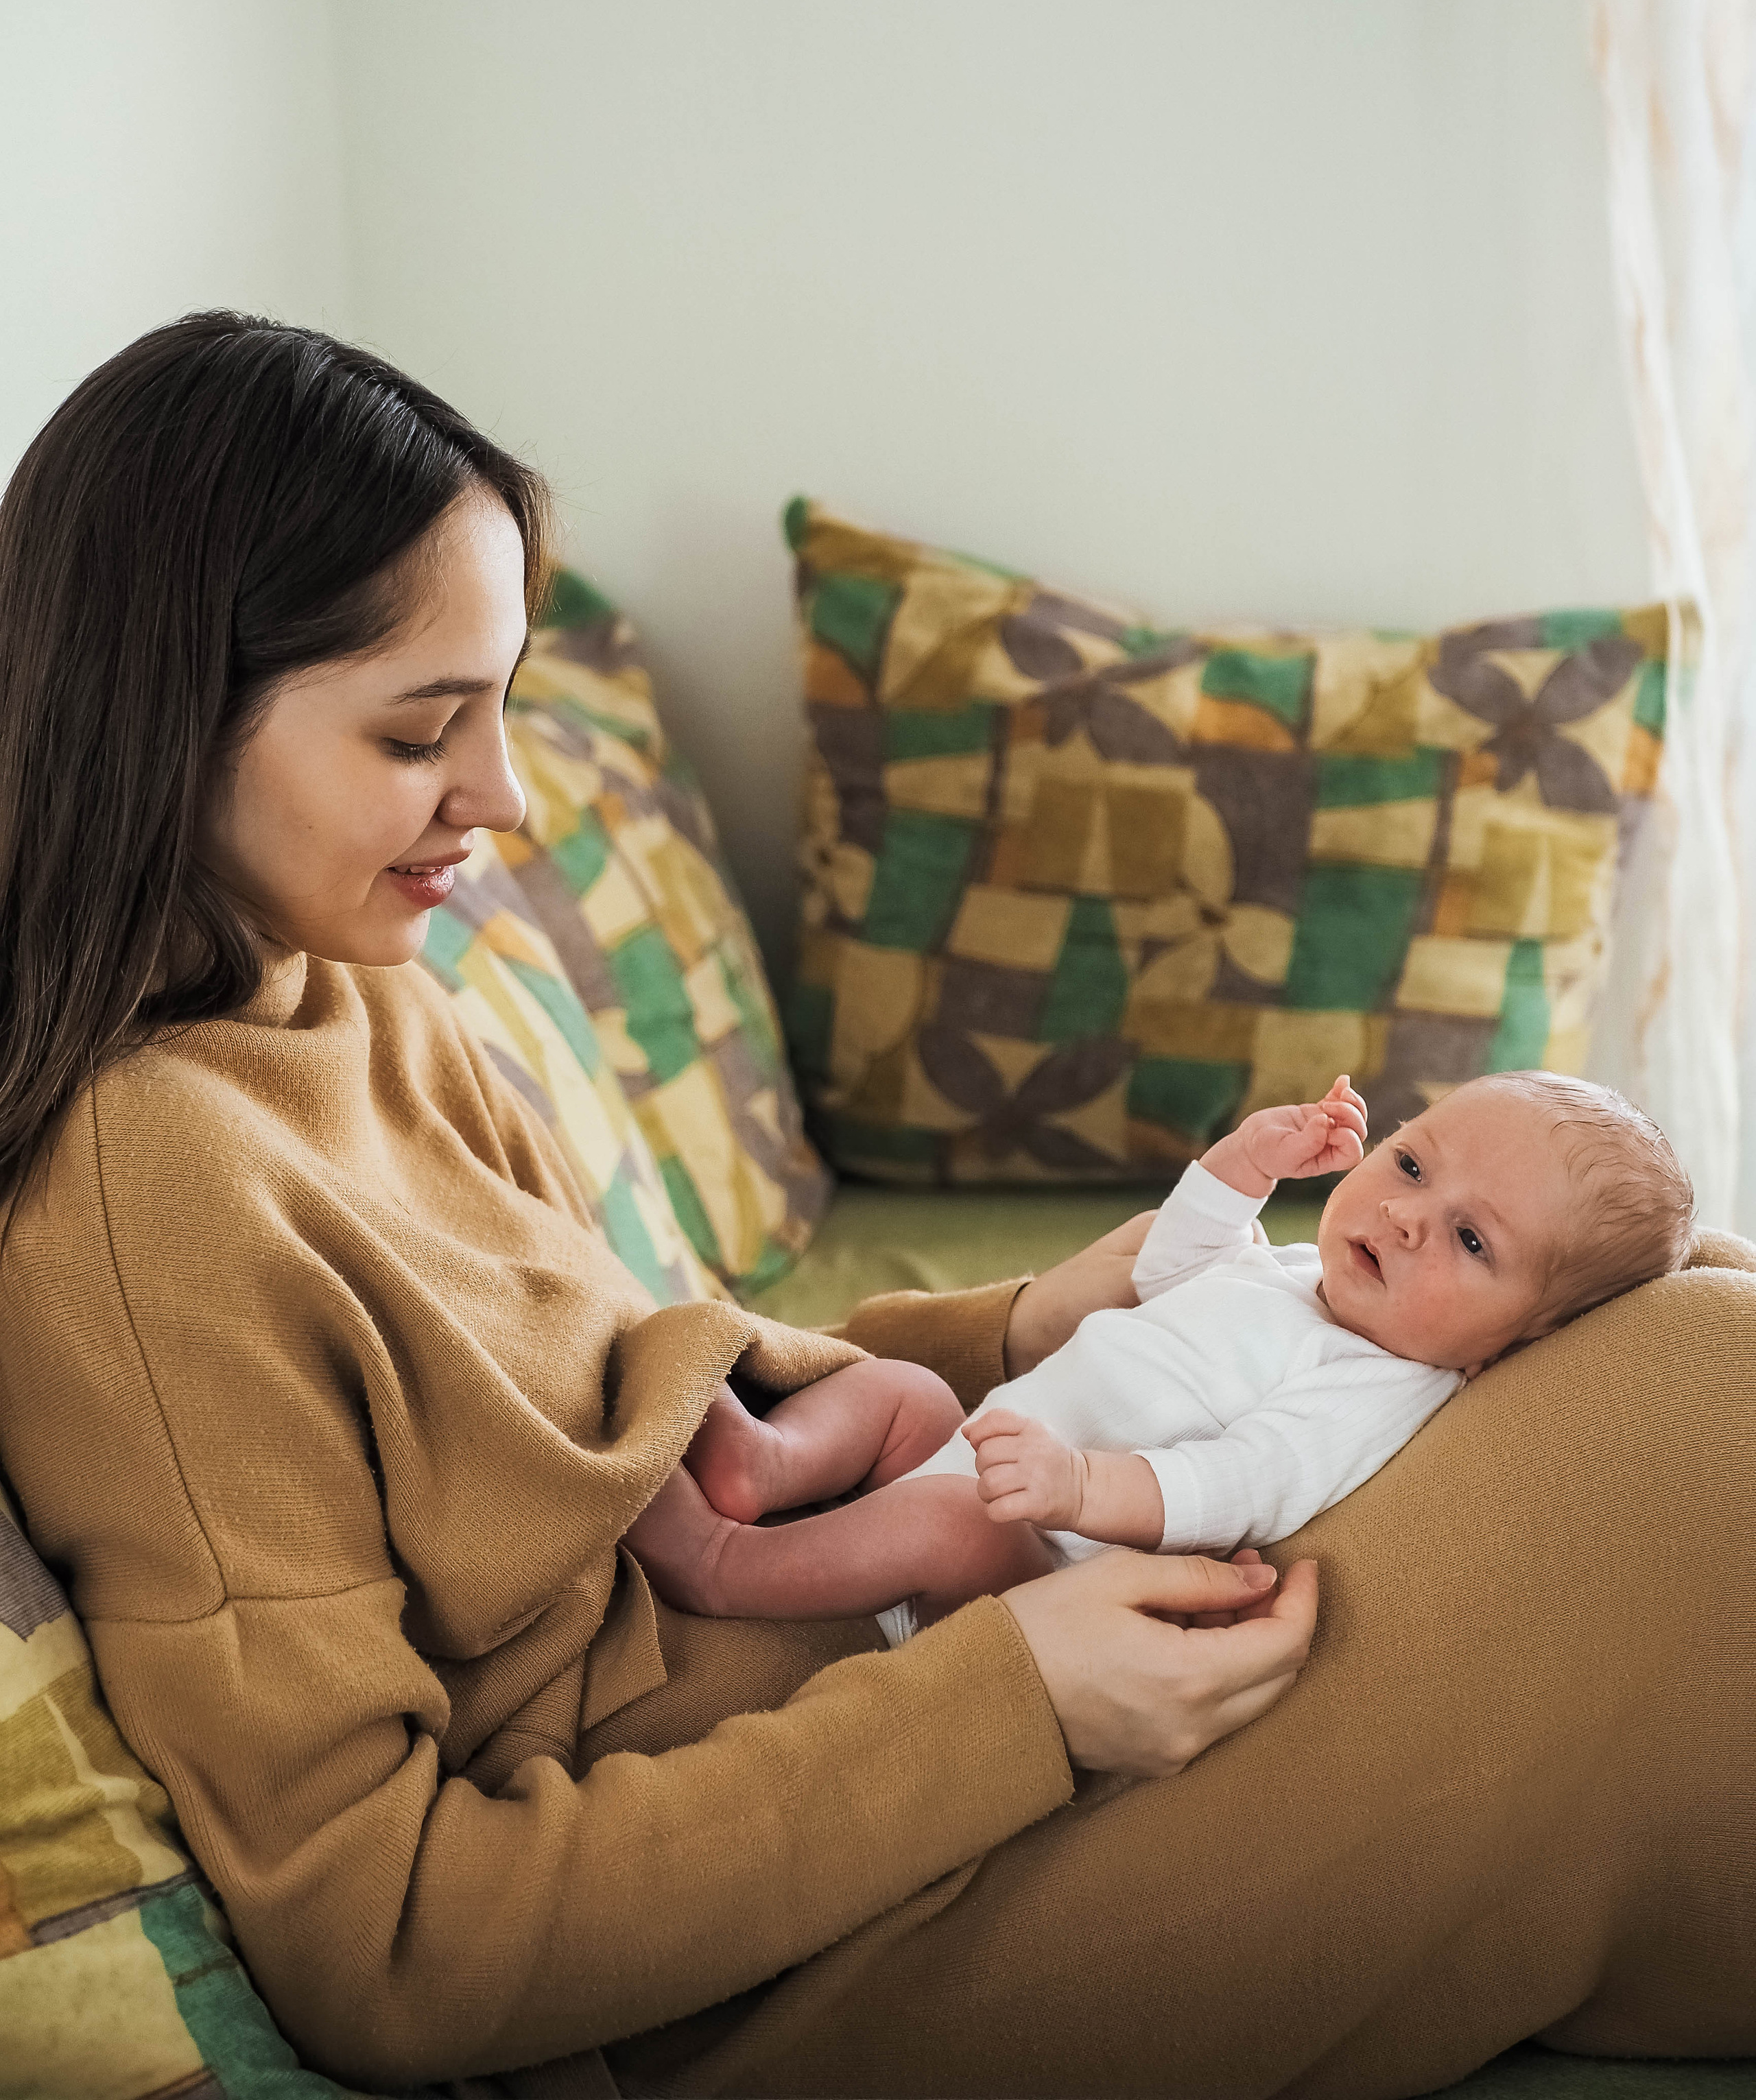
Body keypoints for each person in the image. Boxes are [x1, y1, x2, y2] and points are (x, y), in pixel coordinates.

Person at [0, 314, 1748, 2099]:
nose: (506, 796)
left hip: (925, 1605)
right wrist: (1019, 1703)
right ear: (164, 710)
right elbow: (396, 1948)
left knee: (1680, 1300)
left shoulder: (356, 987)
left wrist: (1015, 1329)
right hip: (785, 1913)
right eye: (418, 728)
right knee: (1697, 1433)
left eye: (506, 702)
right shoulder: (142, 1205)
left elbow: (637, 1382)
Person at [626, 1070, 1696, 1638]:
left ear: (1520, 1338)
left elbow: (1236, 1485)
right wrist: (1244, 1167)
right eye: (1412, 1162)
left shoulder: (1379, 1384)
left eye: (1472, 1239)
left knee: (943, 1515)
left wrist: (1078, 1484)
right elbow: (1175, 1266)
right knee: (903, 1390)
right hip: (984, 1461)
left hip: (1036, 1570)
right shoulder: (1302, 1277)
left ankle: (727, 1567)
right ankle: (766, 1465)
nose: (1411, 1216)